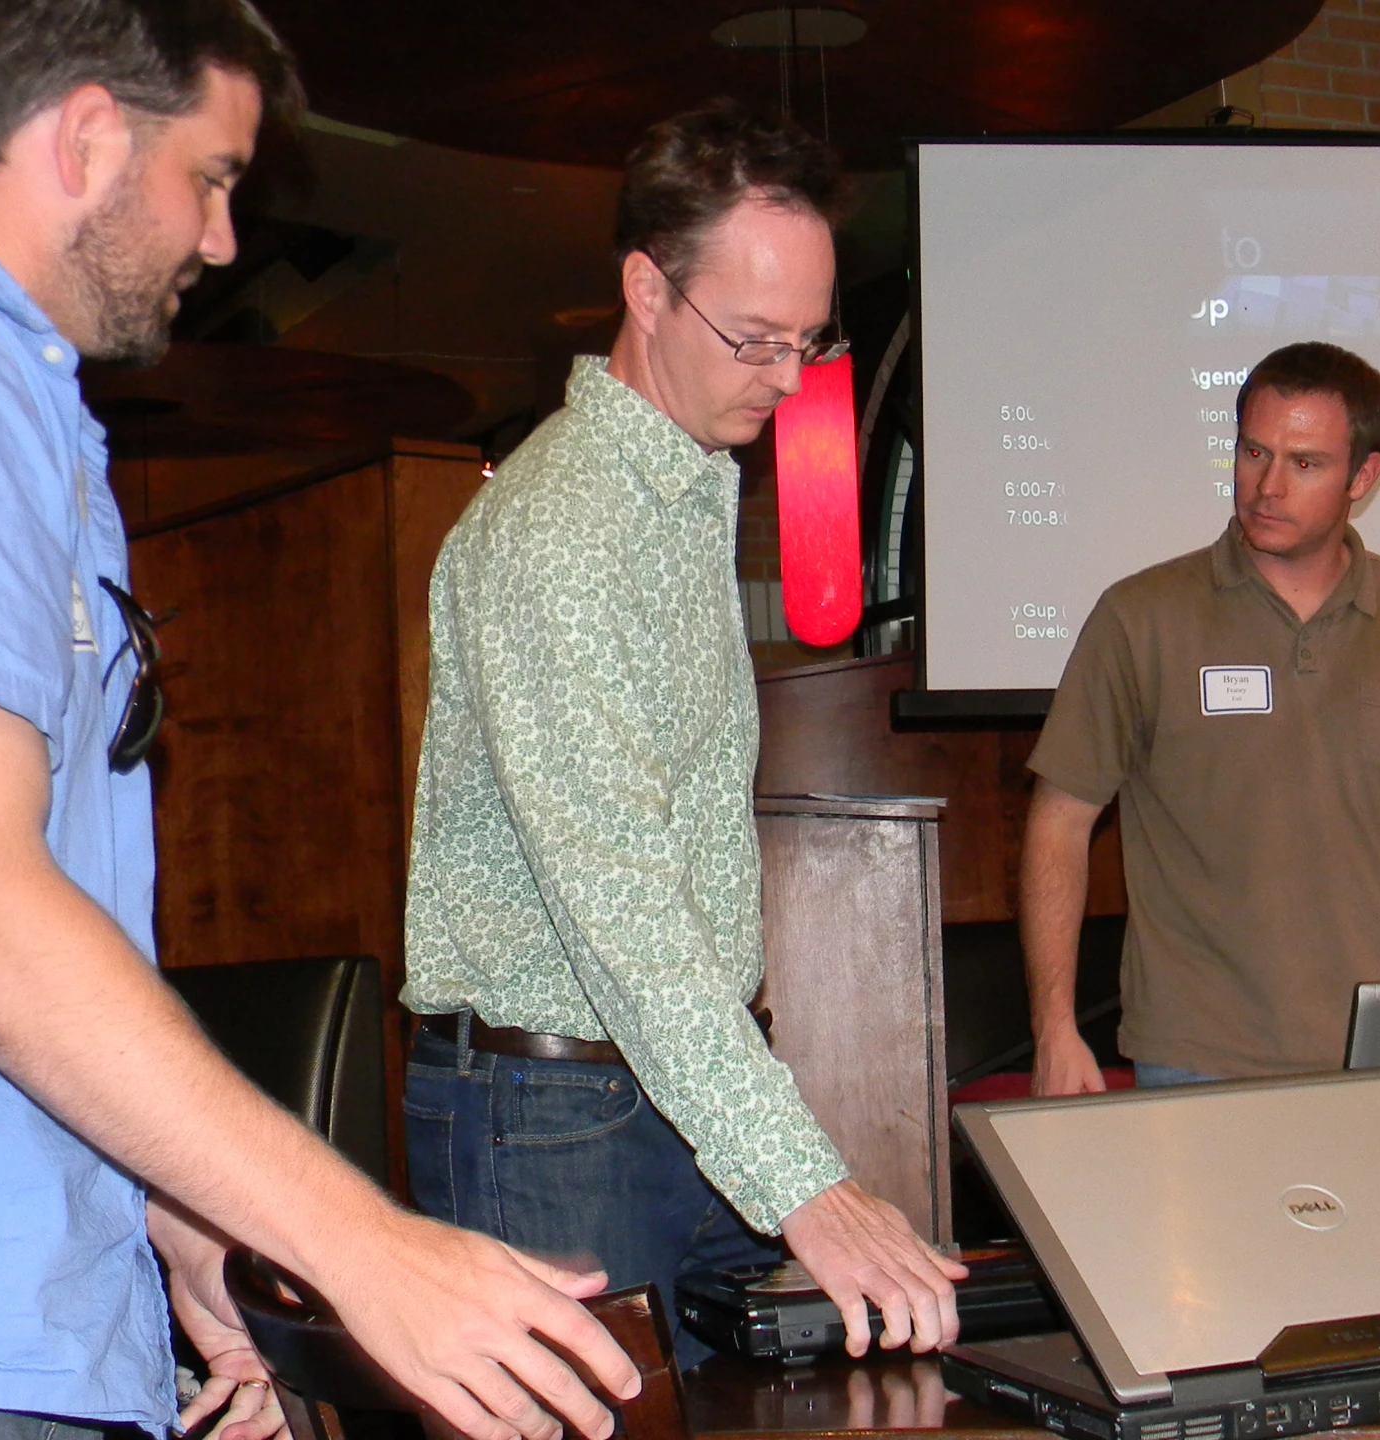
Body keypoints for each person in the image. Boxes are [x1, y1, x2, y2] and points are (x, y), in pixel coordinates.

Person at [0, 3, 640, 1437]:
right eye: (208, 176)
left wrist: (171, 1212)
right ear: (85, 136)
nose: (219, 239)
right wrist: (364, 1243)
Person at [399, 102, 964, 1364]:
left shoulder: (678, 491)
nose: (787, 376)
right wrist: (803, 1182)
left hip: (655, 1090)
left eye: (810, 340)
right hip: (552, 1114)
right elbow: (619, 905)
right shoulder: (564, 530)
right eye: (754, 338)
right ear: (645, 290)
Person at [1023, 342, 1380, 1096]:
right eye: (1253, 452)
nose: (1268, 486)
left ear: (1362, 478)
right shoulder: (1142, 618)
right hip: (1197, 1055)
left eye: (1304, 463)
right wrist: (1054, 1025)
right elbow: (1060, 822)